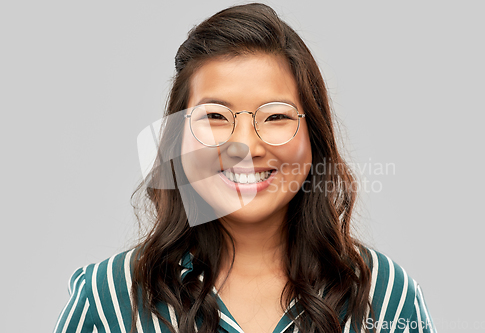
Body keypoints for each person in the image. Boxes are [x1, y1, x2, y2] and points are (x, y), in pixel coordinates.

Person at [53, 3, 437, 333]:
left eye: (275, 117)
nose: (246, 148)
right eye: (215, 116)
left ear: (313, 137)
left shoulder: (383, 295)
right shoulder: (109, 297)